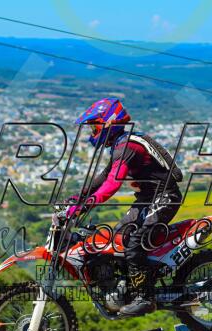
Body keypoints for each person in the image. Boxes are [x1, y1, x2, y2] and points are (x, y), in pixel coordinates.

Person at [67, 97, 183, 316]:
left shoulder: (127, 146)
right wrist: (76, 198)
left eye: (95, 127)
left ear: (110, 122)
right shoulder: (121, 144)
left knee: (135, 242)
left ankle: (145, 297)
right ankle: (128, 287)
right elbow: (103, 177)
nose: (93, 132)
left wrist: (85, 205)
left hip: (165, 197)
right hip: (147, 198)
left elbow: (112, 184)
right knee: (118, 240)